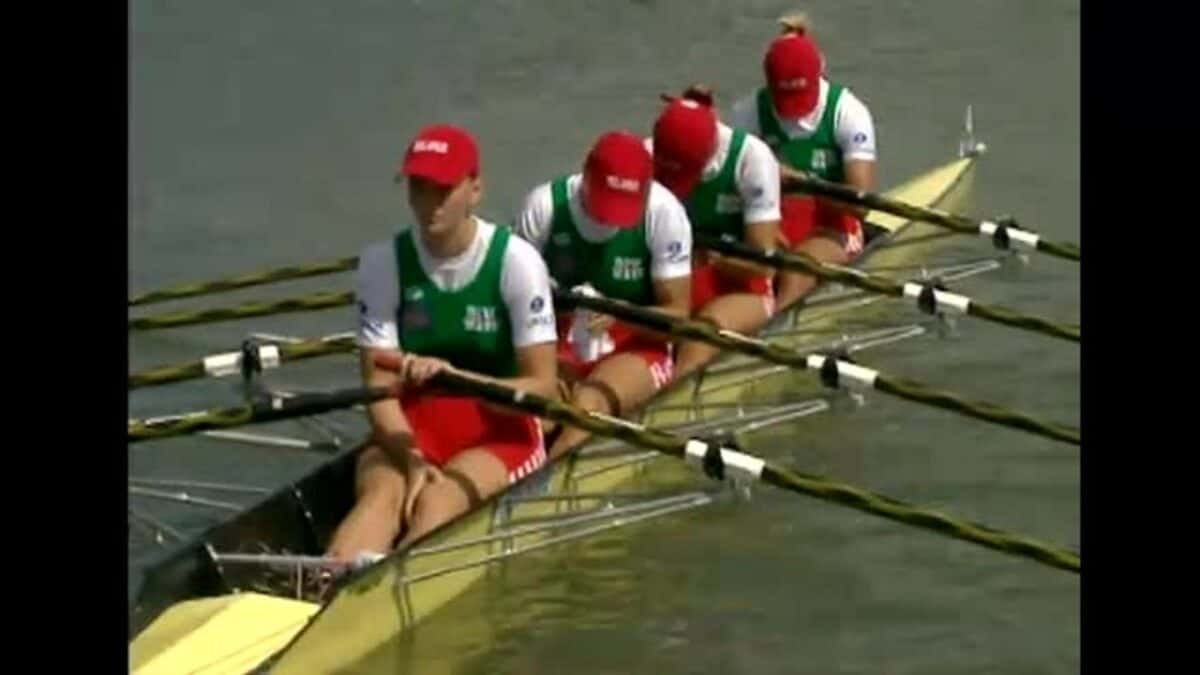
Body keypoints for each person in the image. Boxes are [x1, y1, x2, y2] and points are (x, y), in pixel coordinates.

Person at [327, 124, 559, 562]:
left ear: (475, 189)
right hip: (412, 429)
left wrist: (460, 379)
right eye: (418, 187)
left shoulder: (516, 262)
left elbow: (543, 386)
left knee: (438, 501)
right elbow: (378, 390)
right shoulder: (382, 263)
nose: (428, 202)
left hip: (500, 428)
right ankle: (321, 591)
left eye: (442, 189)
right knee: (381, 497)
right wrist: (412, 459)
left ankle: (376, 597)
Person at [512, 131, 692, 459]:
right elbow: (511, 309)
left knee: (587, 406)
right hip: (557, 346)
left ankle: (541, 491)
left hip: (636, 344)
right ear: (585, 175)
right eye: (605, 202)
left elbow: (678, 316)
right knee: (528, 416)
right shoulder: (543, 208)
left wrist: (620, 313)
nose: (609, 217)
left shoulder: (664, 213)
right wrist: (549, 365)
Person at [729, 14, 878, 309]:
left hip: (833, 225)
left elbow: (861, 204)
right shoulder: (747, 113)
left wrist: (801, 182)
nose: (793, 111)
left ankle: (775, 336)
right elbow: (731, 193)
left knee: (797, 268)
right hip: (772, 223)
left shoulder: (848, 112)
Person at [648, 91, 783, 376]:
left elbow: (762, 266)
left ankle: (673, 406)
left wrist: (713, 257)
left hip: (742, 287)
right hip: (674, 286)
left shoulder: (752, 159)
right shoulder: (648, 155)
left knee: (700, 335)